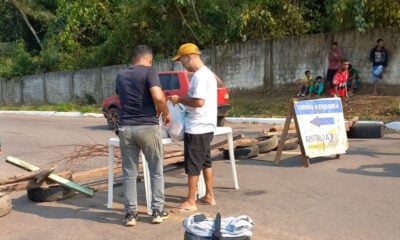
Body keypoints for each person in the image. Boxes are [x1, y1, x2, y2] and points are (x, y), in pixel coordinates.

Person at [116, 45, 171, 226]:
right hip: (147, 126)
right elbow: (158, 96)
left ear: (133, 59)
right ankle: (157, 211)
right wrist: (165, 112)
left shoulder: (121, 75)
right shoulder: (150, 71)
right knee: (155, 170)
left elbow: (120, 98)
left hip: (126, 129)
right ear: (149, 59)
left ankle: (131, 214)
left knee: (129, 173)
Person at [169, 43, 217, 212]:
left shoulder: (200, 76)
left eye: (181, 59)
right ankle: (209, 195)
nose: (181, 63)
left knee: (193, 164)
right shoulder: (208, 74)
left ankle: (191, 201)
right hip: (207, 125)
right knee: (205, 161)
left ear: (189, 56)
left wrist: (179, 100)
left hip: (197, 127)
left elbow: (198, 102)